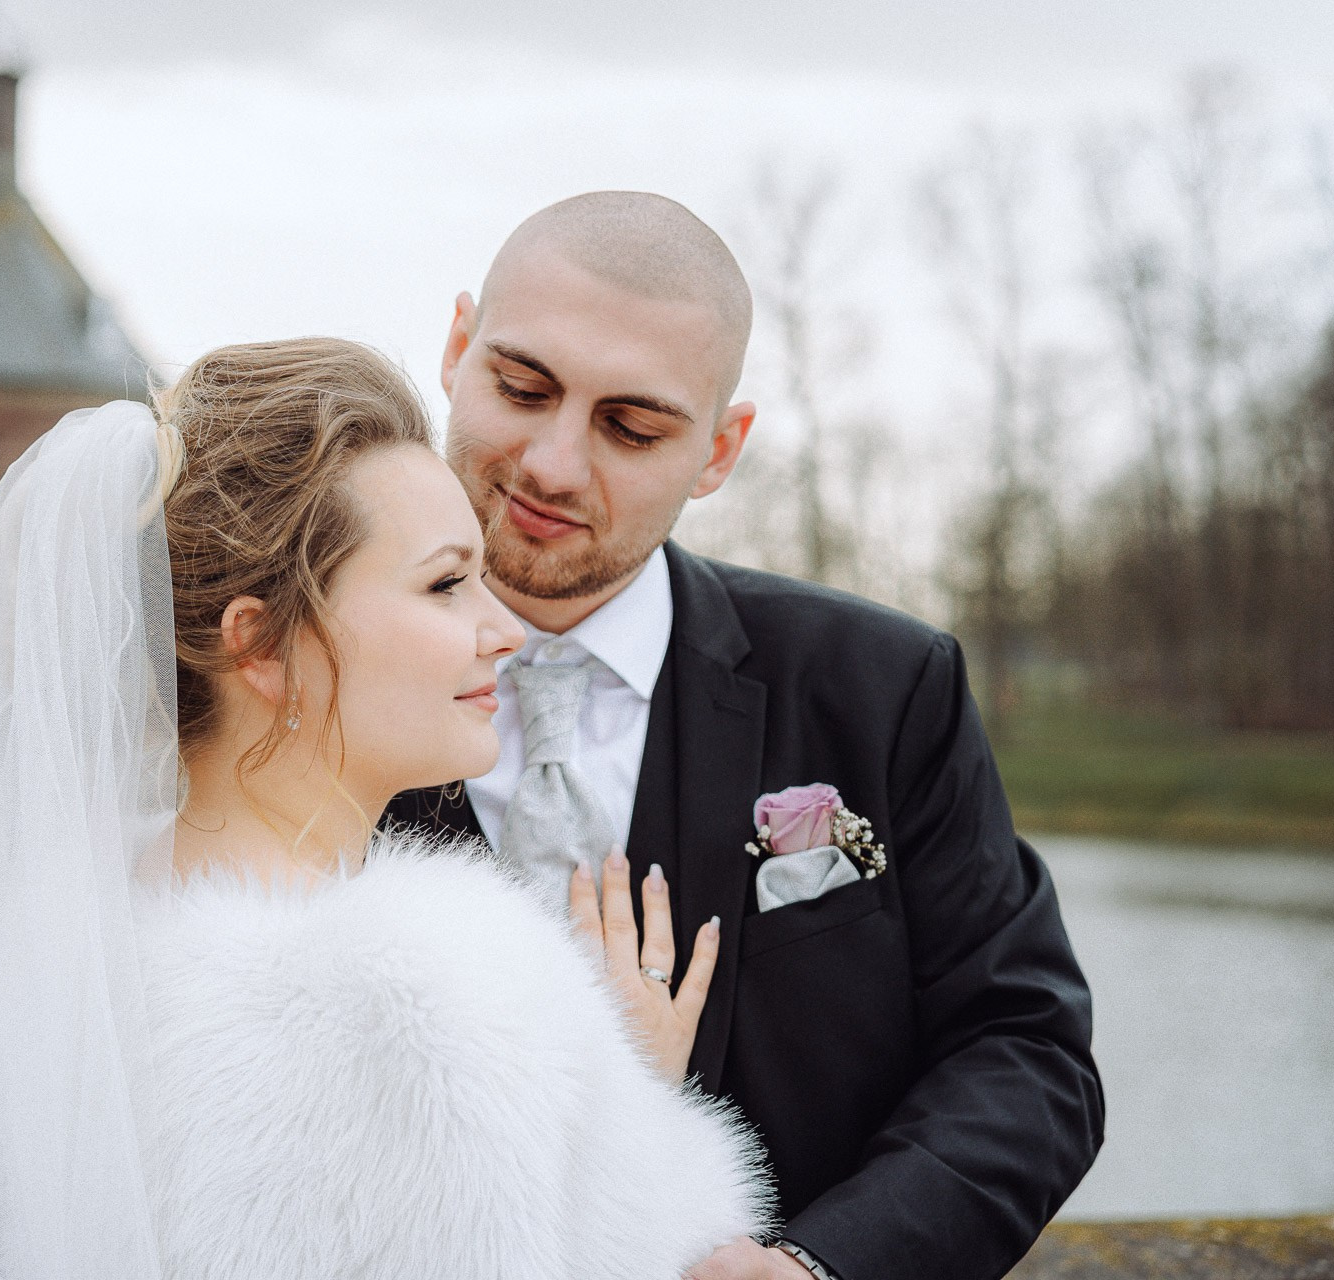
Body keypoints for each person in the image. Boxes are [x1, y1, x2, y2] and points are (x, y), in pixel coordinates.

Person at [0, 338, 774, 1280]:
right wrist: (627, 1100)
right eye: (446, 584)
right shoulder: (449, 1008)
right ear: (262, 646)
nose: (504, 629)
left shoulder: (40, 981)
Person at [384, 192, 1104, 1280]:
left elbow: (1026, 1051)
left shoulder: (883, 688)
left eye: (632, 428)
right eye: (522, 388)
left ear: (719, 450)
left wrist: (822, 1265)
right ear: (456, 349)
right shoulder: (298, 671)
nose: (554, 465)